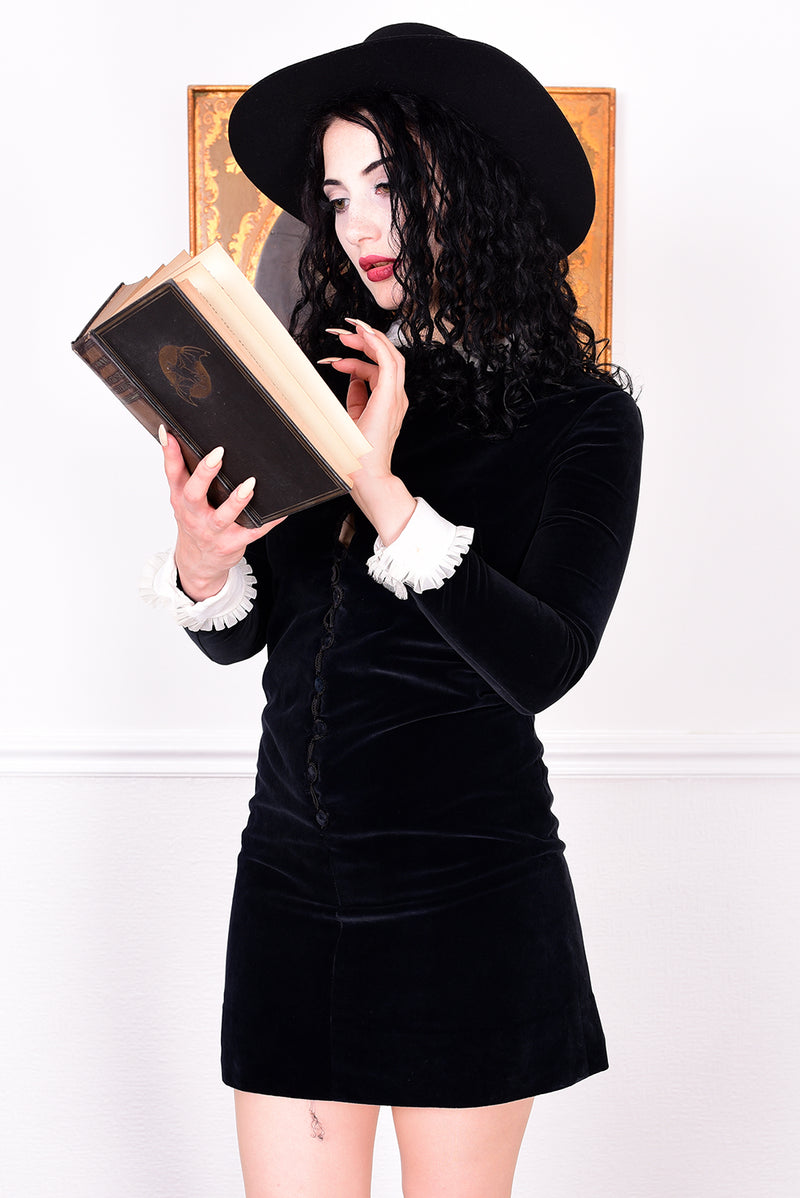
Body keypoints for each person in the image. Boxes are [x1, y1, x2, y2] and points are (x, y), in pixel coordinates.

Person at [141, 23, 643, 1198]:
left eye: (386, 187)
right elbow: (262, 638)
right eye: (335, 195)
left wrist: (379, 482)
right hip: (289, 880)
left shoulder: (581, 419)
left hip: (464, 891)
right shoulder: (314, 382)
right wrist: (203, 563)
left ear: (464, 189)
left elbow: (545, 661)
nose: (357, 226)